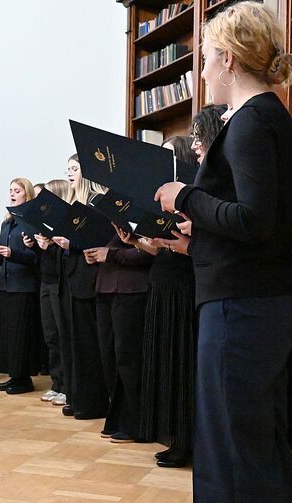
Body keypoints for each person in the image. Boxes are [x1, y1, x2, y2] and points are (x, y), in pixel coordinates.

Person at [155, 3, 292, 503]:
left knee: (235, 446)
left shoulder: (249, 122)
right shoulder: (267, 118)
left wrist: (184, 198)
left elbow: (253, 217)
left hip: (241, 308)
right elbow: (254, 221)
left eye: (204, 58)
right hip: (254, 301)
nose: (200, 72)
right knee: (255, 443)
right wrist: (202, 223)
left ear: (228, 58)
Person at [138, 135, 198, 467]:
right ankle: (172, 434)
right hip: (162, 279)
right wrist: (137, 240)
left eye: (169, 156)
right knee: (163, 357)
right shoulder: (161, 196)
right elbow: (158, 246)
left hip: (183, 283)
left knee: (181, 359)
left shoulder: (191, 194)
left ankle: (186, 439)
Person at [51, 155, 109, 420]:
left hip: (89, 279)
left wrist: (69, 243)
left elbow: (98, 240)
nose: (69, 173)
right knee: (74, 342)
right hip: (72, 278)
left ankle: (91, 401)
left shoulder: (96, 203)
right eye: (68, 169)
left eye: (75, 168)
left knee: (88, 343)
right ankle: (76, 396)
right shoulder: (74, 204)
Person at [86, 223, 154, 443]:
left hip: (132, 289)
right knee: (110, 358)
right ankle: (117, 418)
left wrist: (111, 255)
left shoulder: (138, 211)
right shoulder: (105, 213)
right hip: (105, 288)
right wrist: (95, 256)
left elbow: (150, 253)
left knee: (128, 359)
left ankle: (137, 423)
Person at [0, 178, 44, 394]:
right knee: (9, 333)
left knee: (21, 333)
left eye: (17, 191)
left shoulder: (31, 222)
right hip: (7, 283)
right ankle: (14, 374)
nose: (12, 194)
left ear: (27, 194)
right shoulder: (6, 222)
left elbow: (36, 257)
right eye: (10, 190)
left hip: (24, 285)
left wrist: (14, 254)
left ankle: (23, 379)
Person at [34, 179, 70, 406]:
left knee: (63, 334)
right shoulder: (46, 220)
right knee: (51, 335)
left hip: (60, 283)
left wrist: (51, 246)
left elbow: (66, 258)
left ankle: (67, 386)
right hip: (45, 281)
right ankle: (57, 383)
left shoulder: (65, 220)